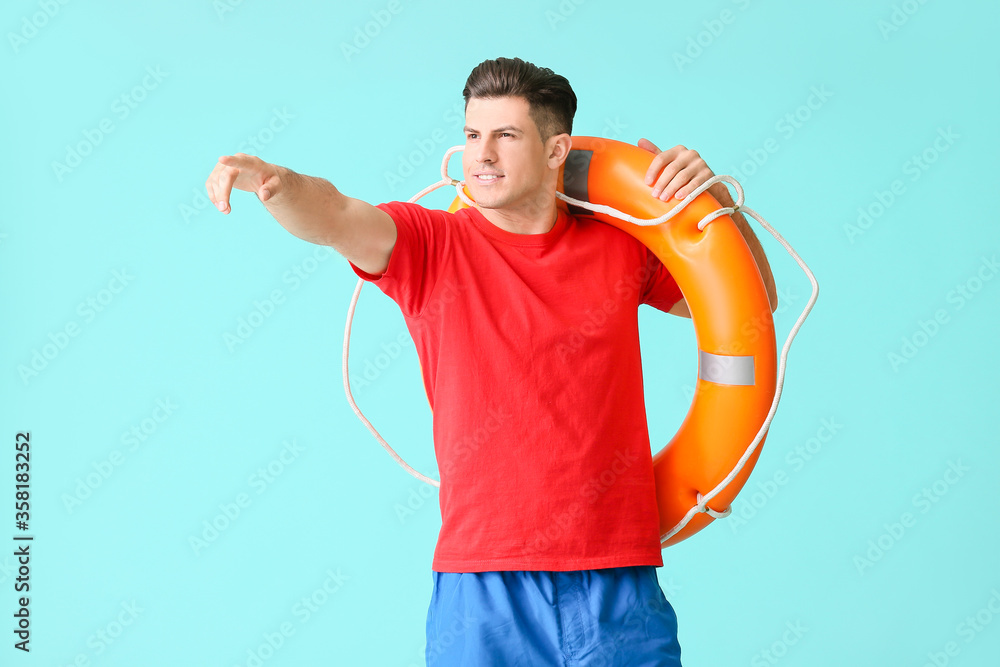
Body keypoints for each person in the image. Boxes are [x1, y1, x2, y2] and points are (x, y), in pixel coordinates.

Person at [205, 56, 777, 666]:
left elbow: (752, 304)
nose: (483, 155)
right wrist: (277, 183)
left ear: (557, 150)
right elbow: (336, 215)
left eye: (506, 135)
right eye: (473, 135)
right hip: (483, 586)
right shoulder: (430, 247)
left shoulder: (620, 246)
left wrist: (712, 204)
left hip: (617, 579)